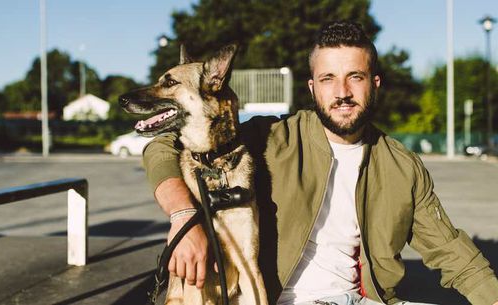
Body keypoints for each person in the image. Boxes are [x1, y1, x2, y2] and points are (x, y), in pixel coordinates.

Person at [143, 21, 498, 305]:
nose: (342, 92)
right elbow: (163, 147)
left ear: (375, 84)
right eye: (328, 78)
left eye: (354, 77)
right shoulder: (272, 137)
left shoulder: (402, 166)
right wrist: (184, 216)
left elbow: (456, 256)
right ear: (313, 88)